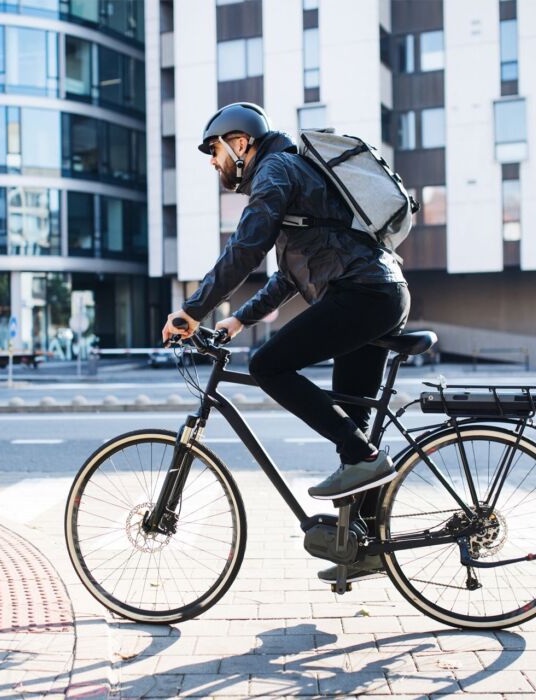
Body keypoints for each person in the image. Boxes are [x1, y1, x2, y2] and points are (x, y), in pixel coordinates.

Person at [160, 102, 411, 582]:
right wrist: (235, 321)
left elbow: (246, 246)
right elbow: (289, 275)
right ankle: (365, 548)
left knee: (268, 366)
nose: (214, 162)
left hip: (363, 295)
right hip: (377, 293)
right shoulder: (292, 173)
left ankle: (365, 460)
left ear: (240, 143)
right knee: (352, 425)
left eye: (214, 150)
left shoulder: (274, 170)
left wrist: (192, 310)